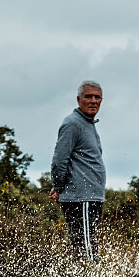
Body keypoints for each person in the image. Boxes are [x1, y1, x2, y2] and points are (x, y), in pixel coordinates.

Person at [50, 81, 106, 264]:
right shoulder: (73, 123)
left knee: (88, 245)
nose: (93, 101)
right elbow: (60, 159)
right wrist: (57, 187)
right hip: (81, 197)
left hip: (92, 197)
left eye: (97, 97)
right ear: (78, 99)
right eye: (88, 96)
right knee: (86, 248)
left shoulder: (88, 124)